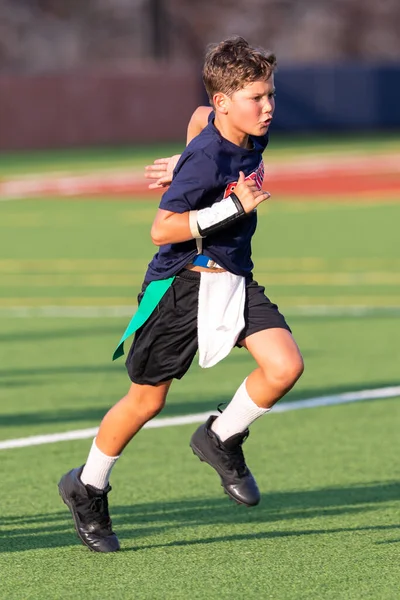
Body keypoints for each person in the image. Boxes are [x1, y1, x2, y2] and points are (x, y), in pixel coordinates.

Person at [58, 36, 304, 553]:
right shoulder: (212, 157)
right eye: (257, 98)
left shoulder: (234, 132)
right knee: (146, 400)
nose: (268, 107)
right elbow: (161, 228)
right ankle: (88, 486)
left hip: (233, 278)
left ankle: (220, 436)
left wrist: (184, 154)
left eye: (270, 95)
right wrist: (226, 205)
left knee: (284, 367)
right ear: (226, 101)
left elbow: (198, 118)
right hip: (183, 283)